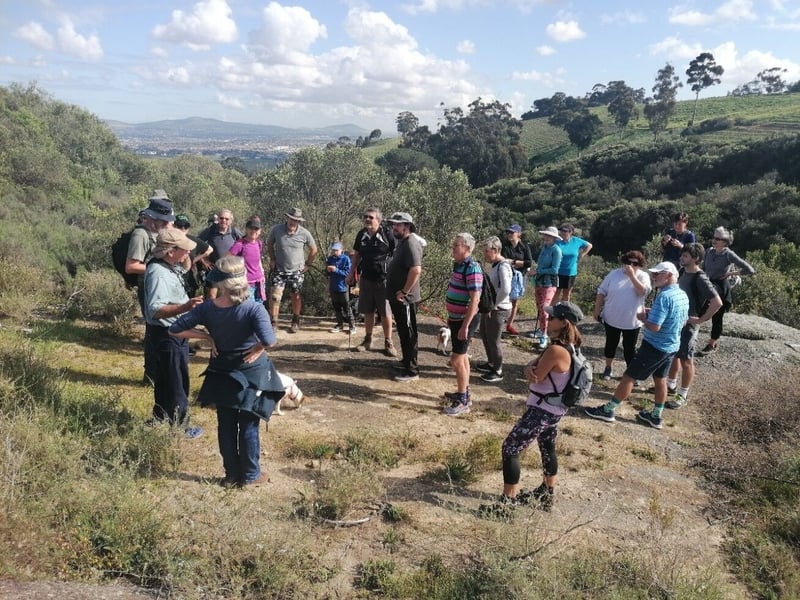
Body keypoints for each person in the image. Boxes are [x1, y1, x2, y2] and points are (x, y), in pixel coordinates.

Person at [169, 256, 281, 487]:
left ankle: (231, 475)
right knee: (249, 424)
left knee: (226, 424)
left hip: (221, 371)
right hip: (251, 372)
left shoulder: (208, 309)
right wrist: (258, 348)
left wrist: (208, 337)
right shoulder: (253, 308)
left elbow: (175, 329)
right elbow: (270, 340)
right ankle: (251, 476)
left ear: (220, 283)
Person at [478, 302, 585, 518]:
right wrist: (531, 367)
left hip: (542, 410)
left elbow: (535, 375)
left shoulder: (555, 350)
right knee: (547, 446)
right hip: (555, 409)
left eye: (552, 317)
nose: (548, 319)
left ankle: (507, 505)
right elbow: (533, 368)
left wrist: (529, 368)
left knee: (510, 448)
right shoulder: (570, 346)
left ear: (563, 322)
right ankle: (546, 493)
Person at [585, 261, 689, 430]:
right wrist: (653, 313)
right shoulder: (681, 295)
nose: (654, 277)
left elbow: (655, 327)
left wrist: (644, 319)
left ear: (669, 275)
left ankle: (609, 410)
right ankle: (655, 416)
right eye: (653, 274)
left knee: (629, 377)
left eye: (658, 274)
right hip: (671, 346)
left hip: (655, 346)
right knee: (660, 379)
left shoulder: (664, 296)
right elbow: (682, 321)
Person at [143, 228, 204, 437]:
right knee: (177, 382)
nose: (187, 252)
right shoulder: (158, 273)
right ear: (170, 252)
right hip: (167, 335)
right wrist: (185, 307)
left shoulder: (167, 266)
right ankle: (182, 427)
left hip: (170, 334)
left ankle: (160, 418)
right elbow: (155, 309)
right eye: (184, 249)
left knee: (166, 379)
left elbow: (185, 266)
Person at [126, 190, 175, 386]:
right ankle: (150, 376)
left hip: (160, 287)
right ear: (152, 217)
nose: (166, 223)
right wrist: (158, 268)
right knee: (154, 330)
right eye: (163, 220)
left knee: (161, 330)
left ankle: (157, 374)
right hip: (148, 289)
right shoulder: (140, 235)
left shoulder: (157, 232)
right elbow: (131, 266)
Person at [665, 244, 722, 408]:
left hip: (689, 324)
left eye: (685, 256)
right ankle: (670, 384)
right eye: (682, 255)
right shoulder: (683, 272)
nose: (681, 258)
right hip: (678, 320)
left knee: (686, 359)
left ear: (695, 258)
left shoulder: (700, 277)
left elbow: (717, 302)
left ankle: (682, 395)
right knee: (675, 353)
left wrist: (700, 320)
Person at [593, 251, 651, 380]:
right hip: (611, 317)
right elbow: (601, 291)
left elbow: (643, 292)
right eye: (628, 262)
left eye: (634, 263)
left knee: (629, 348)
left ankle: (631, 374)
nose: (630, 265)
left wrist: (632, 276)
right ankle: (608, 368)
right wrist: (597, 309)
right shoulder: (614, 274)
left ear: (639, 264)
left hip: (632, 321)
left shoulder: (643, 276)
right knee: (610, 344)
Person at [697, 226, 755, 356]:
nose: (714, 240)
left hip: (721, 287)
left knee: (717, 318)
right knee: (697, 308)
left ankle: (712, 344)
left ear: (725, 242)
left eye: (718, 238)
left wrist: (731, 273)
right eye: (714, 237)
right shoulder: (709, 251)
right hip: (708, 284)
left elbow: (750, 270)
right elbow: (704, 268)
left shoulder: (729, 254)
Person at [442, 233, 483, 416]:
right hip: (456, 318)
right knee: (463, 357)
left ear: (466, 248)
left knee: (456, 359)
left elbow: (475, 299)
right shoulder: (460, 265)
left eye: (456, 245)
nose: (453, 248)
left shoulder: (472, 267)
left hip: (464, 320)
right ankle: (464, 392)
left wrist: (465, 326)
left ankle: (462, 400)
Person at [348, 207, 397, 356]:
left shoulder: (388, 234)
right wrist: (351, 273)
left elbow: (397, 253)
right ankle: (367, 340)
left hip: (384, 279)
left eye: (371, 217)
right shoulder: (361, 234)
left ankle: (388, 342)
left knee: (385, 312)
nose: (367, 219)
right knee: (368, 311)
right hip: (366, 278)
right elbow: (356, 255)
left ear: (379, 220)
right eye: (365, 217)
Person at [265, 207, 318, 333]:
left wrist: (308, 264)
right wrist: (272, 259)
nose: (293, 221)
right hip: (279, 269)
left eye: (296, 220)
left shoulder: (304, 233)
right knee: (275, 296)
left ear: (299, 221)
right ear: (287, 217)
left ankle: (295, 320)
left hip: (297, 271)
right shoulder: (277, 229)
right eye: (291, 218)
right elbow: (269, 244)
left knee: (296, 295)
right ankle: (274, 322)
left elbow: (314, 249)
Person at [385, 212, 423, 383]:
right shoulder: (403, 242)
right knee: (402, 331)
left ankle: (412, 371)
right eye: (393, 225)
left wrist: (404, 291)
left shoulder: (411, 244)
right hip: (398, 298)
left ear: (407, 226)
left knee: (409, 333)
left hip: (406, 299)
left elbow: (416, 270)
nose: (394, 227)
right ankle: (406, 362)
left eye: (398, 225)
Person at [475, 236, 513, 383]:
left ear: (496, 250)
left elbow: (506, 289)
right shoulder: (496, 265)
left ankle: (497, 370)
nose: (485, 255)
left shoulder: (503, 266)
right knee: (485, 334)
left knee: (494, 339)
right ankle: (491, 363)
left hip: (499, 309)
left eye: (487, 251)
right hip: (492, 308)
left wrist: (494, 304)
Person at [529, 226, 562, 349]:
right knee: (539, 308)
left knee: (544, 309)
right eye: (545, 235)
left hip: (549, 283)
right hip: (539, 282)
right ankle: (543, 330)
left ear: (554, 238)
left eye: (548, 235)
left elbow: (554, 270)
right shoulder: (544, 248)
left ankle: (545, 335)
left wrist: (537, 272)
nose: (546, 237)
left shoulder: (556, 250)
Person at [500, 224, 533, 335]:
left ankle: (509, 325)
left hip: (519, 278)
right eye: (508, 232)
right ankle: (501, 323)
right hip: (507, 276)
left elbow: (529, 262)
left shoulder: (525, 247)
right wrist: (520, 263)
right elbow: (503, 260)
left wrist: (513, 262)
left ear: (519, 234)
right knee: (504, 298)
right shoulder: (505, 246)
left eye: (512, 232)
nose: (509, 234)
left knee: (515, 301)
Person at [229, 216, 267, 304]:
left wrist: (262, 273)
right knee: (247, 308)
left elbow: (258, 260)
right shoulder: (240, 244)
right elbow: (226, 259)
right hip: (246, 283)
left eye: (256, 229)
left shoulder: (258, 243)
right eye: (251, 228)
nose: (253, 231)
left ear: (260, 231)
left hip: (259, 282)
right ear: (246, 229)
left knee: (258, 307)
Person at [174, 213, 213, 298]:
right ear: (174, 226)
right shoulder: (169, 240)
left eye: (186, 226)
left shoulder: (193, 240)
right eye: (180, 226)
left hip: (188, 279)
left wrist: (194, 260)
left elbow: (209, 249)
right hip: (172, 279)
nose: (183, 229)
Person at [553, 223, 592, 304]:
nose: (562, 232)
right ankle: (553, 313)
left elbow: (589, 245)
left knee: (566, 294)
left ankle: (564, 312)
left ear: (570, 232)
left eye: (565, 231)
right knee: (556, 293)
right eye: (561, 230)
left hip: (570, 272)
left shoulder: (576, 241)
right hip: (557, 272)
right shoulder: (557, 242)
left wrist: (582, 255)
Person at [326, 241, 355, 334]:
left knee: (346, 307)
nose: (335, 252)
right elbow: (328, 274)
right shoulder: (330, 259)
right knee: (336, 307)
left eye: (336, 250)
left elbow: (348, 273)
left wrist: (336, 270)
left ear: (341, 250)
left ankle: (352, 326)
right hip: (333, 287)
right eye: (333, 250)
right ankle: (339, 325)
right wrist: (328, 284)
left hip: (343, 287)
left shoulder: (346, 259)